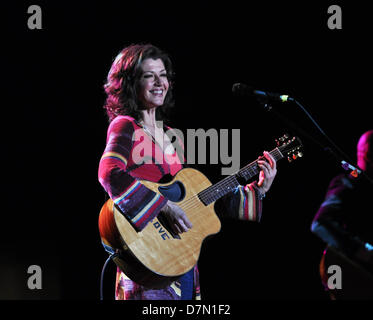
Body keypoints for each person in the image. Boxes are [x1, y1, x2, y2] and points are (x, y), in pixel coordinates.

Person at [98, 43, 278, 300]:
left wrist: (259, 190)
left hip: (179, 257)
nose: (159, 82)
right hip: (148, 255)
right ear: (129, 83)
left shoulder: (173, 137)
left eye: (163, 75)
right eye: (149, 75)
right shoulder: (125, 126)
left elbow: (195, 200)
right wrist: (163, 206)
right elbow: (109, 172)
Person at [311, 130, 373, 297]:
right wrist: (362, 251)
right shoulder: (348, 185)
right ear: (368, 154)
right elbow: (321, 222)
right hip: (352, 276)